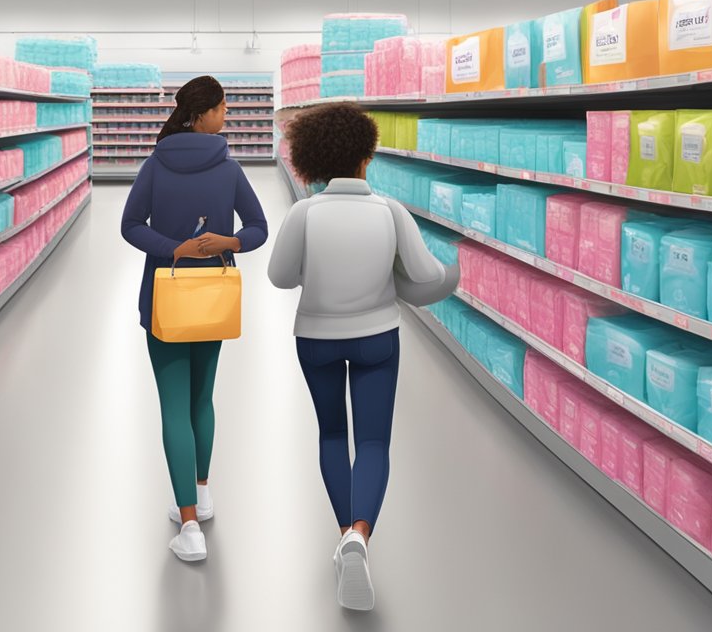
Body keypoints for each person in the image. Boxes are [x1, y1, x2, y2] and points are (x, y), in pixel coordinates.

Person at [267, 102, 459, 610]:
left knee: (332, 433)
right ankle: (359, 536)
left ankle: (342, 534)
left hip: (316, 339)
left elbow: (279, 277)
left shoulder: (303, 213)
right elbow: (424, 274)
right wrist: (451, 272)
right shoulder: (390, 211)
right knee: (373, 441)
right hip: (377, 339)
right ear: (365, 157)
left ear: (310, 161)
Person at [121, 75, 268, 562]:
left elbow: (130, 226)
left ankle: (189, 525)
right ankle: (201, 494)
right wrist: (229, 244)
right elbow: (259, 227)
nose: (227, 116)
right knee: (202, 398)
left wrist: (172, 249)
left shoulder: (155, 165)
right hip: (213, 299)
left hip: (166, 299)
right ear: (202, 114)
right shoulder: (228, 167)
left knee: (172, 406)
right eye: (223, 108)